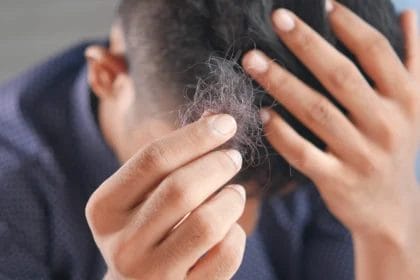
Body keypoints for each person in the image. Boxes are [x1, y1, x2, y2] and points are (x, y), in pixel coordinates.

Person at [0, 0, 419, 279]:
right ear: (106, 75)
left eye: (273, 192)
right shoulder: (12, 200)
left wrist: (392, 226)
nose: (234, 234)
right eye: (197, 168)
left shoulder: (344, 149)